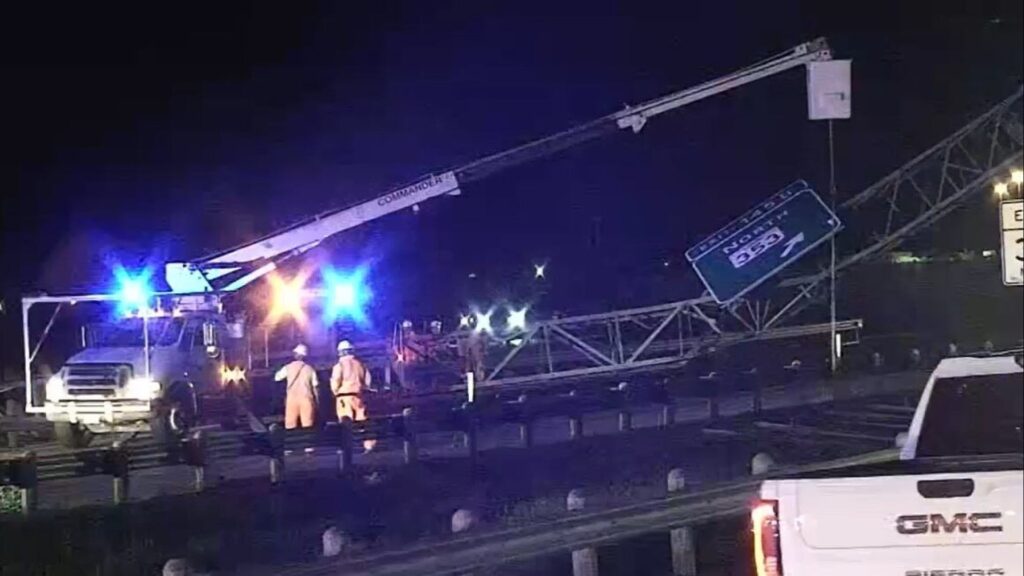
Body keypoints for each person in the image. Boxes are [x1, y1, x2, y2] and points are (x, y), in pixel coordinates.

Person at [331, 340, 376, 452]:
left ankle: (347, 447)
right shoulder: (360, 364)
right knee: (362, 421)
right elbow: (367, 382)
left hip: (344, 398)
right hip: (358, 396)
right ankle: (369, 445)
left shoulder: (339, 366)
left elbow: (335, 382)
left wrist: (336, 392)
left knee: (345, 423)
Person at [274, 343, 319, 429]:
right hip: (306, 400)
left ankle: (292, 441)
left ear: (295, 355)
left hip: (292, 400)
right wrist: (317, 401)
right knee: (308, 426)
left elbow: (277, 378)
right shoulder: (310, 369)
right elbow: (315, 386)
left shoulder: (288, 367)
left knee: (290, 426)